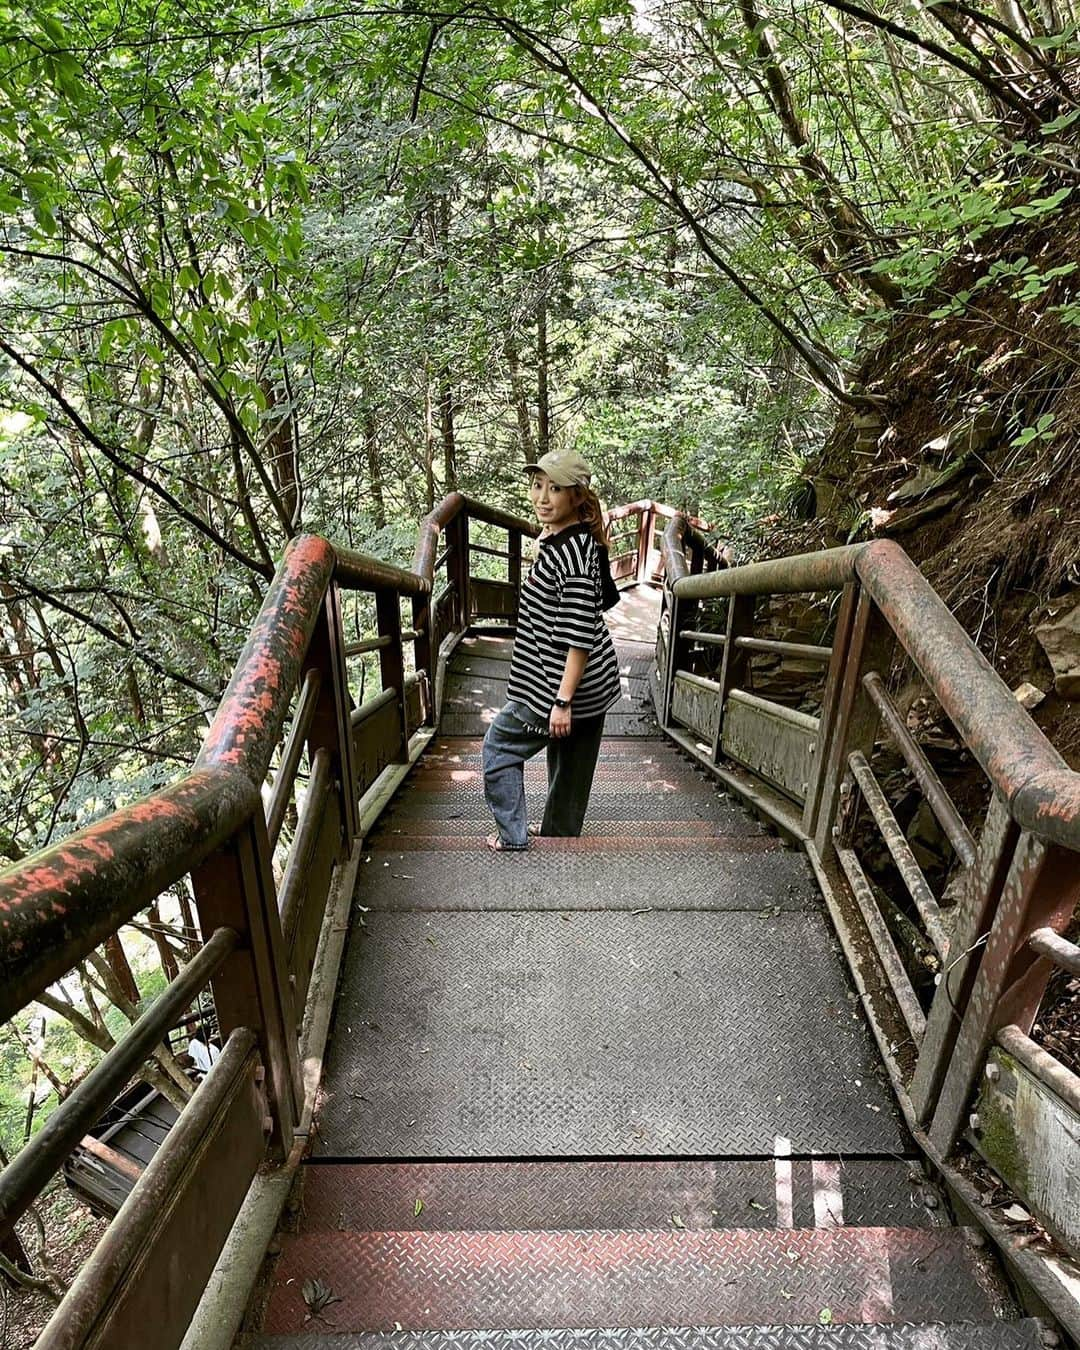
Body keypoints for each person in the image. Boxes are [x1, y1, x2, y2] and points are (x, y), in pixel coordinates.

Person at [483, 449, 622, 850]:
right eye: (538, 485)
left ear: (577, 497)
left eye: (555, 488)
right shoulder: (573, 540)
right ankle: (561, 840)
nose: (542, 497)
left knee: (500, 746)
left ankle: (512, 838)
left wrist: (562, 701)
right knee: (569, 768)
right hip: (588, 686)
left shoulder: (573, 557)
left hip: (556, 686)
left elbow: (579, 636)